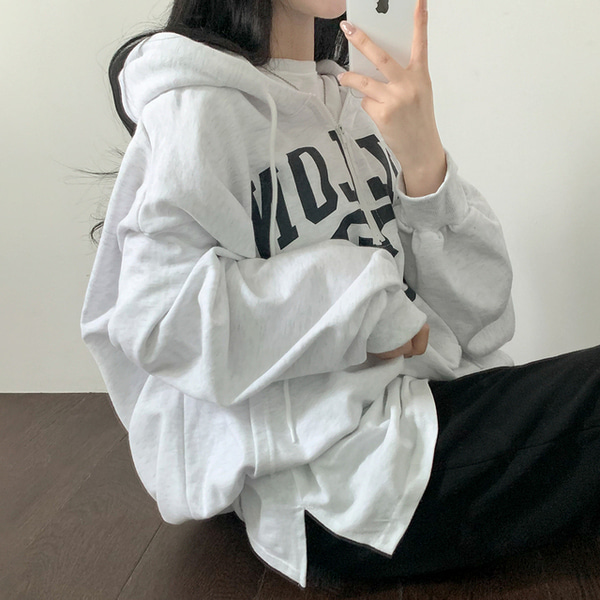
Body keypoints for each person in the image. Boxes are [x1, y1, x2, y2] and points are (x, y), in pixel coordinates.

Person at [80, 0, 600, 589]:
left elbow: (479, 320)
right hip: (341, 485)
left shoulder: (354, 101)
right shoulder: (196, 101)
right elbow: (158, 316)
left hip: (426, 413)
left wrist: (425, 164)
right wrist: (364, 309)